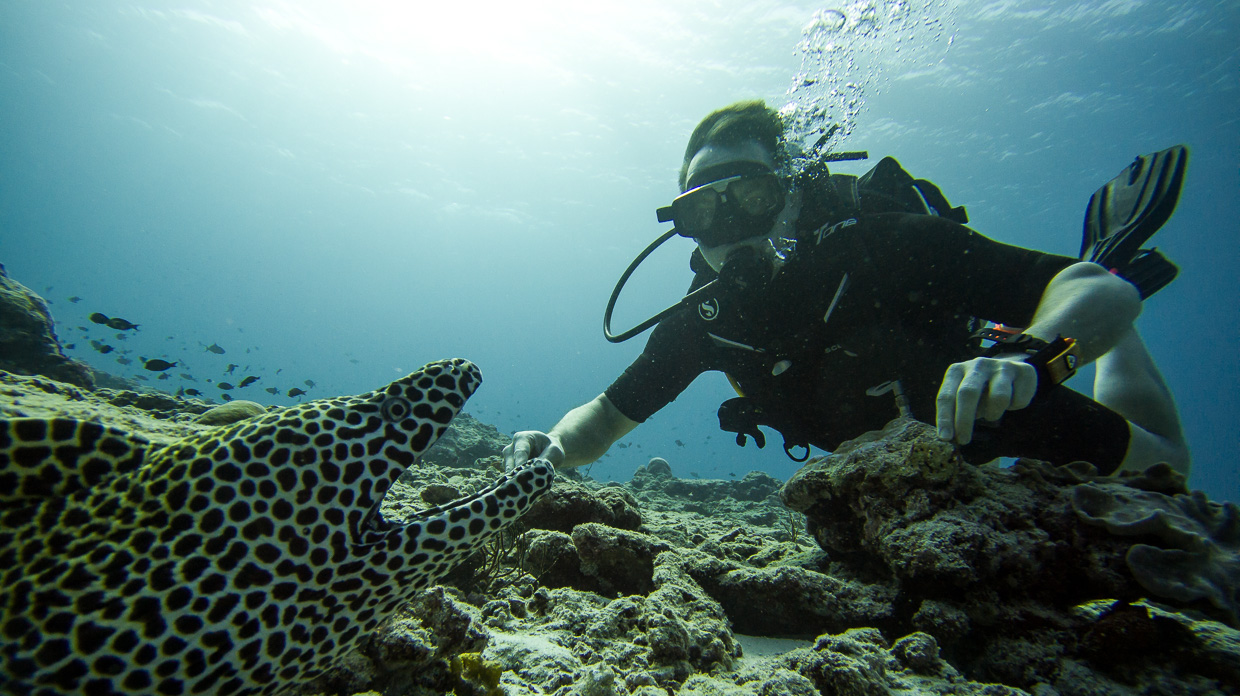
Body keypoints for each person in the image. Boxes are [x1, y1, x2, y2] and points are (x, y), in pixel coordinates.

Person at [504, 100, 1190, 477]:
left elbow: (1088, 288)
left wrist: (1036, 355)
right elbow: (603, 417)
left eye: (751, 195)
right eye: (705, 210)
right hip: (888, 470)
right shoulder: (708, 320)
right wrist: (552, 449)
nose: (731, 228)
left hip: (985, 412)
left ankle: (1119, 266)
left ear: (794, 194)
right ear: (683, 223)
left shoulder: (883, 245)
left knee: (1166, 473)